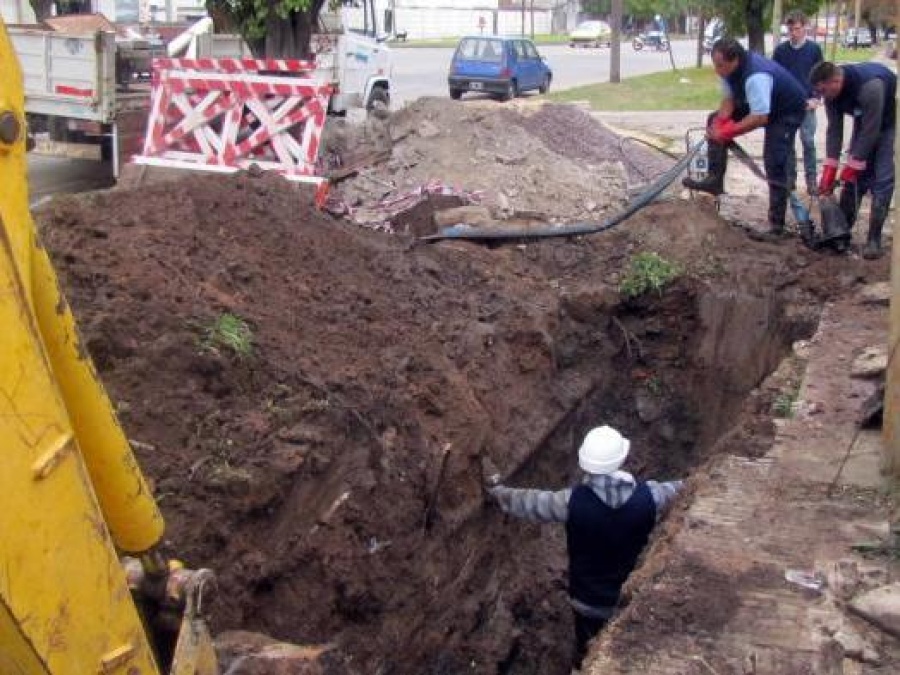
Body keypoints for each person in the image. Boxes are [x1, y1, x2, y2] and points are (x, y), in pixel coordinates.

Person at [486, 425, 683, 668]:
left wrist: (498, 492)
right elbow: (682, 488)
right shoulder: (650, 497)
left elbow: (531, 502)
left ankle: (584, 663)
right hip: (631, 599)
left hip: (587, 600)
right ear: (622, 457)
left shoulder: (571, 503)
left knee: (587, 645)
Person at [682, 38, 808, 240]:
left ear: (735, 60)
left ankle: (776, 226)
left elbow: (759, 117)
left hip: (786, 111)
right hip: (766, 106)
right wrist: (720, 124)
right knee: (713, 119)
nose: (717, 70)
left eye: (720, 65)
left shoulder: (756, 76)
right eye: (715, 64)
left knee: (774, 161)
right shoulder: (728, 71)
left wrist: (726, 133)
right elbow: (728, 100)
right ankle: (714, 180)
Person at [810, 61, 896, 259]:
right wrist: (830, 168)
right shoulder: (831, 95)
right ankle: (841, 231)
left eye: (824, 91)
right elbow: (834, 130)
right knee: (853, 180)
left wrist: (854, 163)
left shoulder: (870, 87)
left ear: (836, 81)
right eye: (818, 92)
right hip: (864, 120)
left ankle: (874, 239)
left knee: (882, 178)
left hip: (886, 123)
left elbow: (872, 131)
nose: (822, 97)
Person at [773, 10, 823, 198]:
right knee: (788, 143)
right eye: (790, 29)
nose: (793, 33)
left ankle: (811, 180)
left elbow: (821, 75)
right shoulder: (781, 51)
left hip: (807, 103)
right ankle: (790, 178)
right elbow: (775, 76)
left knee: (808, 141)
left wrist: (817, 97)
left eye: (797, 29)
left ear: (804, 28)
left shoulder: (814, 50)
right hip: (788, 105)